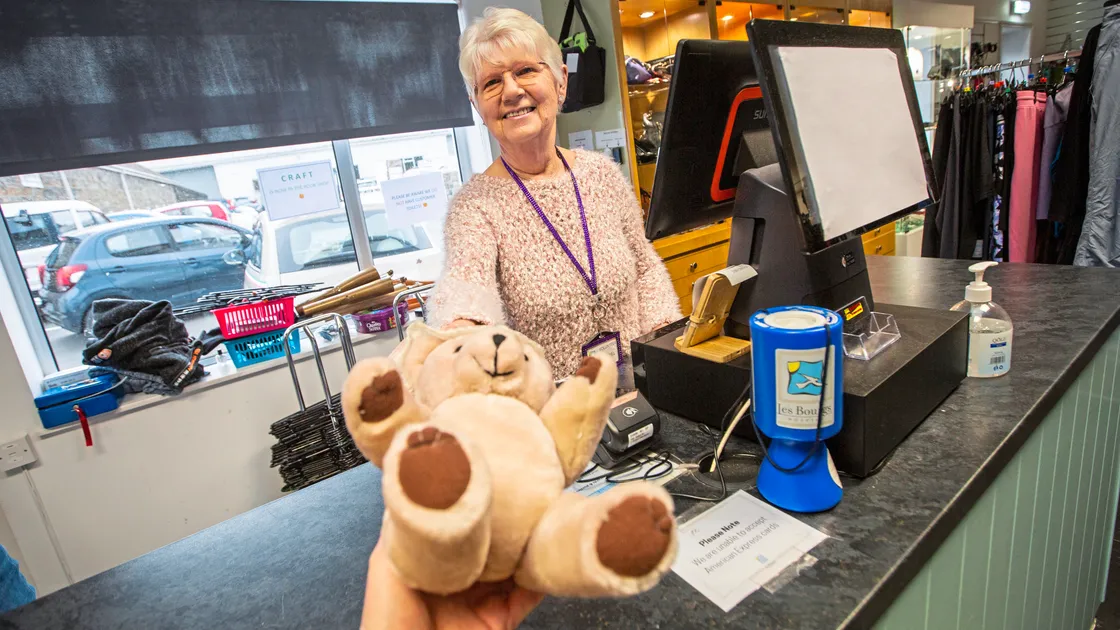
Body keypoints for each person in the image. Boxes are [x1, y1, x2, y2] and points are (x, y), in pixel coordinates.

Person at [427, 7, 681, 380]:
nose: (512, 91)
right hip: (555, 413)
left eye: (526, 70)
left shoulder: (603, 175)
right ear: (476, 105)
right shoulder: (475, 207)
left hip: (641, 389)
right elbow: (466, 284)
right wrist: (458, 335)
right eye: (491, 82)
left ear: (561, 81)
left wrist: (667, 347)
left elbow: (645, 269)